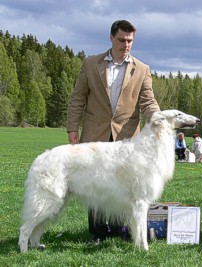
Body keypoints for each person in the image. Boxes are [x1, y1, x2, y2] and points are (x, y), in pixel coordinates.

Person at [66, 20, 160, 244]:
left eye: (130, 41)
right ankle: (97, 232)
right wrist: (72, 128)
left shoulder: (142, 69)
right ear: (111, 38)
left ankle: (119, 229)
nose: (126, 44)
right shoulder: (90, 64)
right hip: (94, 134)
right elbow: (77, 98)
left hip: (127, 138)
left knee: (122, 185)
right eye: (121, 40)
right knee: (94, 183)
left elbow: (148, 102)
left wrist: (158, 118)